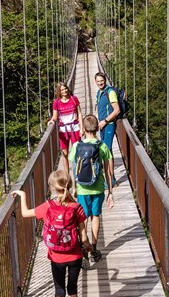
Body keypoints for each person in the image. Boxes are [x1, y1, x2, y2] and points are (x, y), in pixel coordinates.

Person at [12, 170, 87, 297]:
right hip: (74, 254)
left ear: (52, 188)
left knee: (59, 289)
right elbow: (83, 235)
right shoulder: (76, 207)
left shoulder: (48, 206)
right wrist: (88, 247)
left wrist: (22, 195)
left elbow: (25, 213)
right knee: (72, 288)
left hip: (56, 256)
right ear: (68, 186)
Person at [71, 114, 114, 263]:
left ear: (83, 129)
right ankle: (94, 249)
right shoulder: (102, 146)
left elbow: (74, 167)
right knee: (95, 216)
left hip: (82, 188)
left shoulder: (76, 146)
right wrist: (110, 192)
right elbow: (109, 171)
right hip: (98, 187)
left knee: (83, 218)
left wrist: (75, 187)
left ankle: (84, 245)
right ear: (97, 128)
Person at [50, 82, 82, 165]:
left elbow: (79, 113)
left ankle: (77, 174)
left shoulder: (74, 99)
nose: (64, 91)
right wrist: (52, 120)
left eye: (65, 89)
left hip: (75, 128)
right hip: (63, 131)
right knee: (65, 154)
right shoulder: (56, 102)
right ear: (59, 91)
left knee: (77, 152)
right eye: (62, 90)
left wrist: (82, 128)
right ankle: (66, 176)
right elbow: (55, 116)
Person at [94, 72, 122, 159]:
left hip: (109, 124)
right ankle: (109, 172)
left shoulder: (110, 92)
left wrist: (105, 121)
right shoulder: (99, 92)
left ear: (105, 80)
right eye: (98, 81)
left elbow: (117, 110)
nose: (100, 83)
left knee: (106, 149)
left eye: (102, 81)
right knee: (107, 150)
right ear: (95, 81)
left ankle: (109, 172)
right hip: (102, 124)